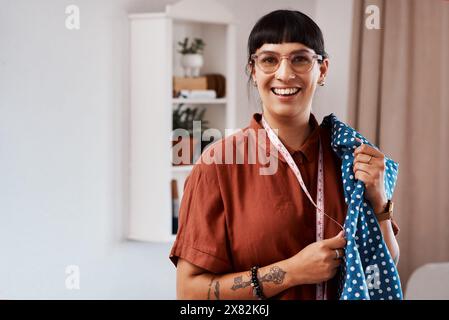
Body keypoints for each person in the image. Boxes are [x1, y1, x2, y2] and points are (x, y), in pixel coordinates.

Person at [169, 9, 400, 300]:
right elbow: (189, 294)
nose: (285, 73)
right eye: (269, 60)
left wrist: (380, 199)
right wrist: (291, 272)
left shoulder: (351, 157)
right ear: (253, 71)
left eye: (300, 59)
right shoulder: (218, 166)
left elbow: (384, 267)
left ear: (323, 69)